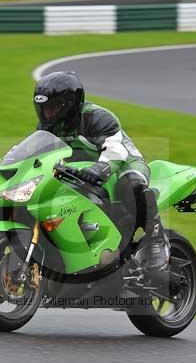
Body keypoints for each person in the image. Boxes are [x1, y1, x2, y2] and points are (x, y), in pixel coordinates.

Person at [33, 71, 169, 270]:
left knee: (131, 186)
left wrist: (99, 169)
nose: (48, 113)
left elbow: (115, 151)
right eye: (44, 108)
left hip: (124, 165)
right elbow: (37, 154)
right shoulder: (47, 128)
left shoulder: (97, 117)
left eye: (53, 107)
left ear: (69, 104)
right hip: (80, 172)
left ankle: (156, 239)